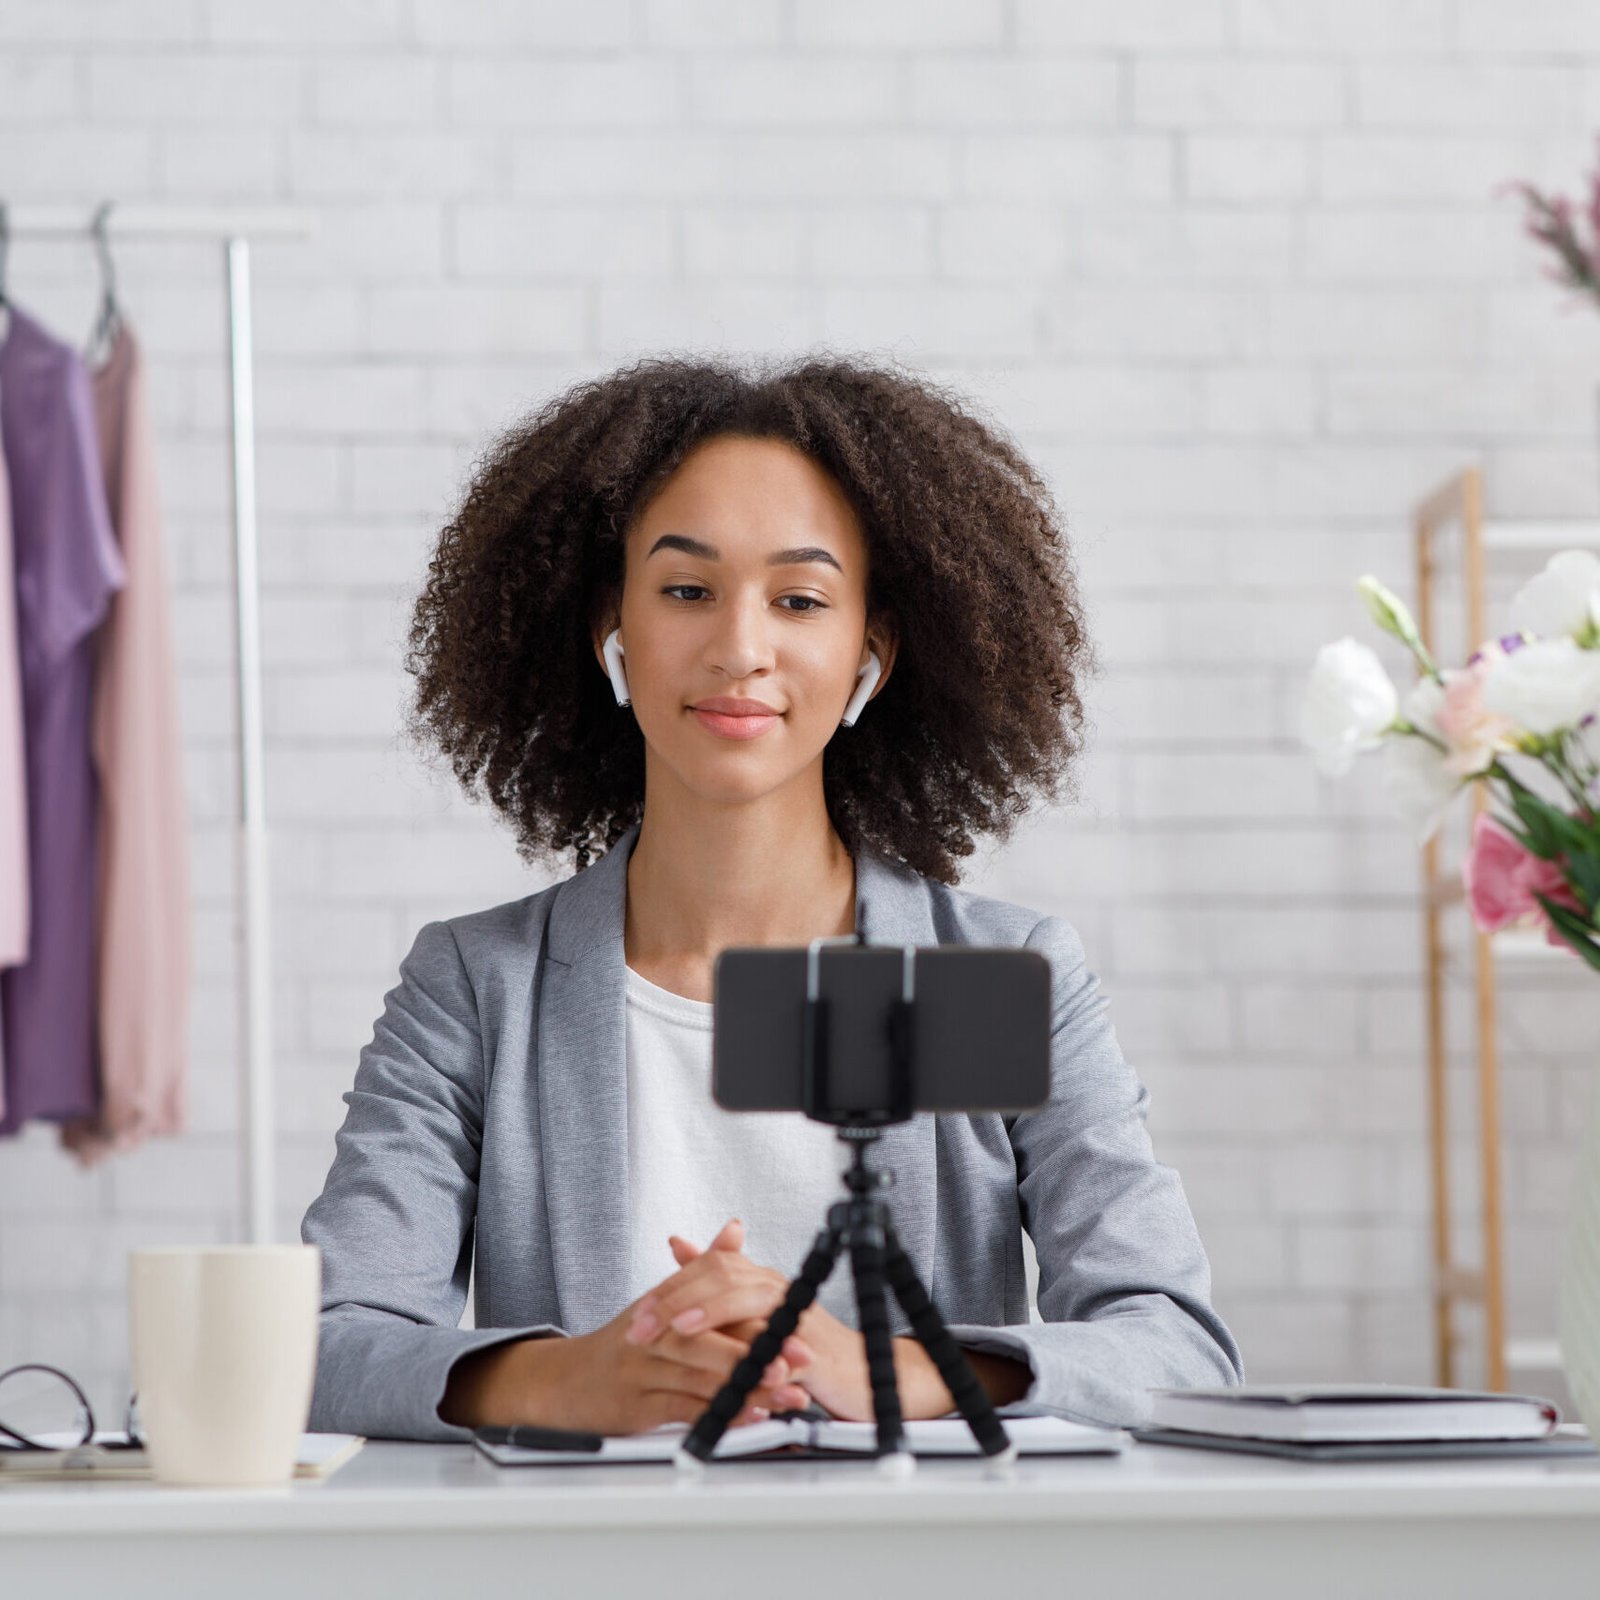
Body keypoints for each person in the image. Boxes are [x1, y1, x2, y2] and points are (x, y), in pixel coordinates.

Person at [300, 354, 1244, 1443]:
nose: (740, 648)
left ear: (870, 656)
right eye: (686, 590)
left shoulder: (975, 977)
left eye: (799, 599)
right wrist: (566, 1381)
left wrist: (876, 1366)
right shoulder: (480, 988)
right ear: (612, 631)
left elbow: (1174, 1346)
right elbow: (326, 1343)